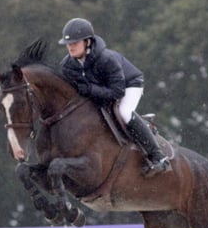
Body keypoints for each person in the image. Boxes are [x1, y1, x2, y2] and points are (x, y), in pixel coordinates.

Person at [58, 17, 171, 175]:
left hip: (129, 84)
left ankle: (158, 156)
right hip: (103, 89)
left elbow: (117, 92)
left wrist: (90, 89)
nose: (70, 47)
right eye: (68, 44)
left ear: (88, 42)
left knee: (124, 112)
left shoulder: (106, 59)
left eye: (74, 43)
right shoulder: (67, 66)